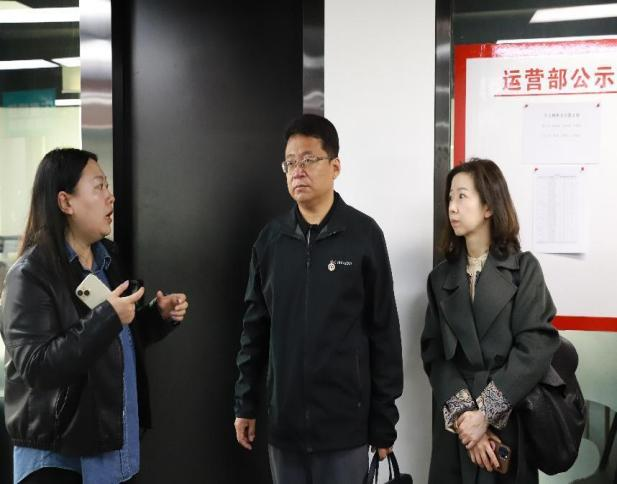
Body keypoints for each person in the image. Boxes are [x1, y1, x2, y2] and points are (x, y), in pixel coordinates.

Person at [0, 148, 189, 484]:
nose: (110, 197)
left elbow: (115, 341)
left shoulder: (107, 258)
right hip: (58, 458)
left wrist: (156, 317)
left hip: (110, 447)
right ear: (66, 202)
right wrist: (108, 318)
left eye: (107, 186)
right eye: (99, 187)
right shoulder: (29, 274)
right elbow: (37, 367)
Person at [233, 114, 403, 484]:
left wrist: (384, 420)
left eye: (309, 159)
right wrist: (245, 403)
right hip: (285, 427)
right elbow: (254, 330)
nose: (298, 170)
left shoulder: (363, 235)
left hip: (345, 427)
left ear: (335, 166)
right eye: (290, 162)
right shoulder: (270, 241)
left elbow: (384, 331)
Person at [421, 158, 560, 483]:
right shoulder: (440, 278)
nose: (452, 207)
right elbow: (434, 354)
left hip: (508, 420)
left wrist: (485, 413)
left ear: (488, 206)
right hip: (457, 429)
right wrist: (467, 419)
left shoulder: (524, 269)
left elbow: (535, 347)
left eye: (462, 196)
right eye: (450, 198)